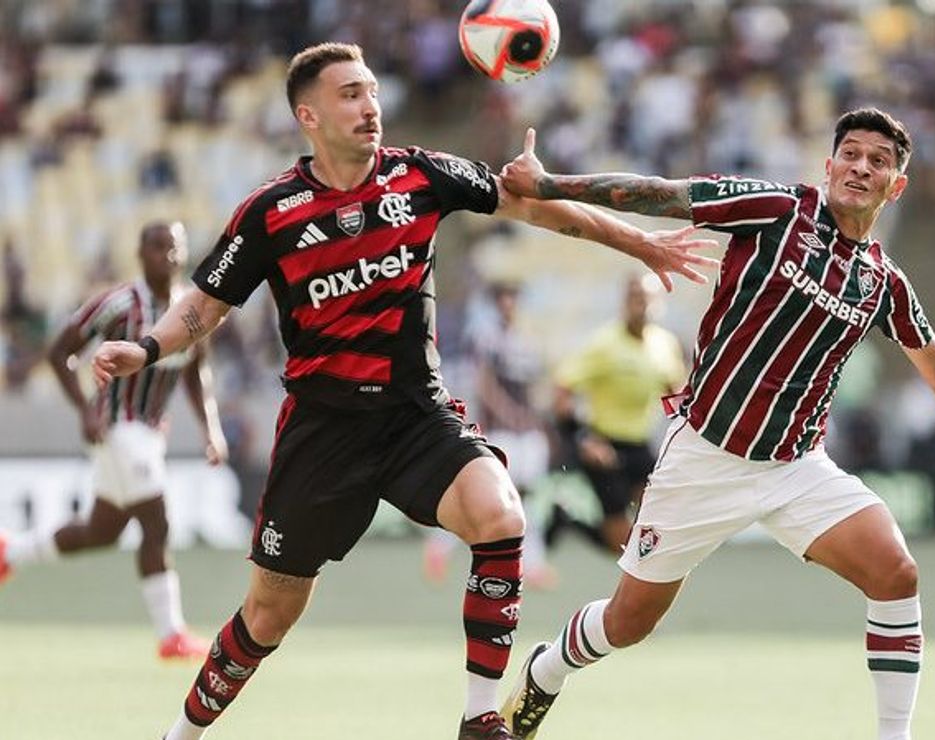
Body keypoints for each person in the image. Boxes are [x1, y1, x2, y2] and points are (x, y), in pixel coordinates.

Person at [89, 43, 717, 740]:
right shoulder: (271, 213)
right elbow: (205, 306)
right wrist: (146, 349)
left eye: (372, 92)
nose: (369, 107)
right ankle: (183, 734)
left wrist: (642, 243)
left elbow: (533, 209)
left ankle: (480, 716)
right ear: (310, 115)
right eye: (350, 95)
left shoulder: (422, 175)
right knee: (268, 616)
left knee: (500, 515)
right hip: (323, 434)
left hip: (415, 416)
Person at [497, 109, 935, 740]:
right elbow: (664, 192)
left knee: (896, 572)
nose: (861, 167)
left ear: (895, 186)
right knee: (628, 623)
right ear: (829, 164)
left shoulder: (882, 282)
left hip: (796, 467)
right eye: (850, 153)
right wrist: (549, 184)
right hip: (705, 457)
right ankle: (549, 668)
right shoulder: (777, 209)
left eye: (879, 161)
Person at [0, 221, 227, 661]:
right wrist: (84, 408)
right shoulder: (119, 303)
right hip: (116, 427)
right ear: (141, 253)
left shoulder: (191, 308)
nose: (169, 255)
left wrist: (210, 428)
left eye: (176, 247)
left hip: (148, 434)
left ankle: (11, 550)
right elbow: (59, 352)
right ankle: (171, 634)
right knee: (157, 521)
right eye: (159, 247)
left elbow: (197, 372)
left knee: (102, 531)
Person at [423, 281, 557, 590]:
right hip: (500, 430)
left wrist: (537, 420)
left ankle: (532, 564)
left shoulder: (527, 339)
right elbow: (484, 382)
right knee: (498, 497)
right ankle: (439, 545)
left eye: (514, 298)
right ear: (497, 302)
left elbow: (536, 385)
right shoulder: (487, 337)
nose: (509, 304)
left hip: (526, 432)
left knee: (527, 497)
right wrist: (508, 412)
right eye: (504, 298)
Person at [549, 273, 686, 554]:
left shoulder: (664, 344)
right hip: (604, 447)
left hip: (640, 445)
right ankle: (567, 518)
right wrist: (583, 439)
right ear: (625, 302)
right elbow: (562, 390)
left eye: (646, 298)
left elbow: (677, 394)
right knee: (621, 545)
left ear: (659, 303)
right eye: (634, 298)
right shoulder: (604, 343)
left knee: (659, 524)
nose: (641, 304)